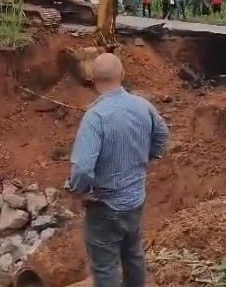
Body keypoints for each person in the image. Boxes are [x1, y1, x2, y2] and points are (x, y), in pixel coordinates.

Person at [68, 53, 169, 287]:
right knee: (133, 254)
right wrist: (149, 156)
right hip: (135, 200)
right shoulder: (143, 106)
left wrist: (77, 190)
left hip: (104, 206)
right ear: (122, 75)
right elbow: (163, 135)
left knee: (105, 268)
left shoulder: (95, 118)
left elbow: (82, 169)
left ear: (92, 79)